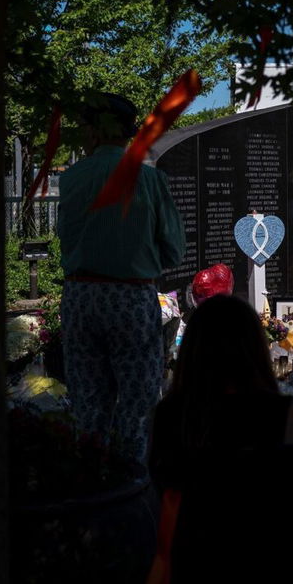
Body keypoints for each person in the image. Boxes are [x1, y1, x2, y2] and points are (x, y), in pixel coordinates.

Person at [146, 295, 293, 584]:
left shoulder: (169, 416)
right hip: (274, 572)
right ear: (255, 350)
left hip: (197, 573)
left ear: (192, 351)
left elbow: (161, 493)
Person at [57, 92, 185, 463]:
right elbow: (174, 249)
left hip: (80, 296)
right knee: (137, 403)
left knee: (88, 401)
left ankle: (92, 479)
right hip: (131, 296)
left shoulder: (72, 179)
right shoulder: (150, 180)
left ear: (96, 131)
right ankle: (131, 487)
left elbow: (65, 235)